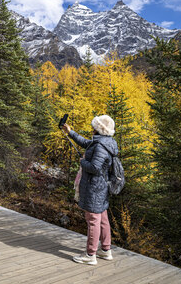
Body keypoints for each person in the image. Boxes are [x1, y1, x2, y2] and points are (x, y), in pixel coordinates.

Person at [63, 114, 118, 265]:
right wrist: (70, 132)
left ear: (99, 129)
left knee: (93, 220)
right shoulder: (105, 142)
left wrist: (83, 161)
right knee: (103, 218)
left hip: (95, 187)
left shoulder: (100, 146)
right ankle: (105, 250)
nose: (92, 128)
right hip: (101, 187)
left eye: (94, 126)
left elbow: (94, 167)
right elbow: (86, 143)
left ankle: (90, 255)